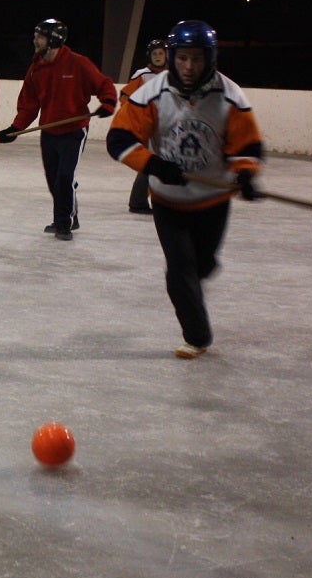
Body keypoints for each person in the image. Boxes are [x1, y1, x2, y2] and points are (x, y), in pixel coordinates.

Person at [106, 20, 264, 359]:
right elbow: (119, 139)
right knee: (180, 270)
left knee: (201, 266)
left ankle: (195, 277)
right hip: (168, 201)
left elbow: (247, 145)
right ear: (173, 58)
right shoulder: (151, 93)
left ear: (210, 58)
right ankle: (197, 335)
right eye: (182, 59)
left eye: (196, 59)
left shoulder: (230, 95)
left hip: (214, 201)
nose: (189, 67)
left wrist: (246, 174)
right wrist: (154, 165)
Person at [0, 18, 117, 240]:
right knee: (54, 180)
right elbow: (29, 104)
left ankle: (63, 224)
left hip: (75, 131)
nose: (34, 39)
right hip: (49, 133)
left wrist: (108, 102)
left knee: (64, 177)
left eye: (39, 36)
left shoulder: (78, 64)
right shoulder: (36, 69)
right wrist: (15, 128)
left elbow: (104, 84)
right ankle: (71, 214)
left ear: (53, 40)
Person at [121, 37, 168, 215]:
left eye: (160, 53)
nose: (157, 57)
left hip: (168, 127)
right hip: (149, 128)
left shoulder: (174, 74)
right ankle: (138, 201)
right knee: (151, 163)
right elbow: (126, 97)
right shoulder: (142, 75)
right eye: (154, 54)